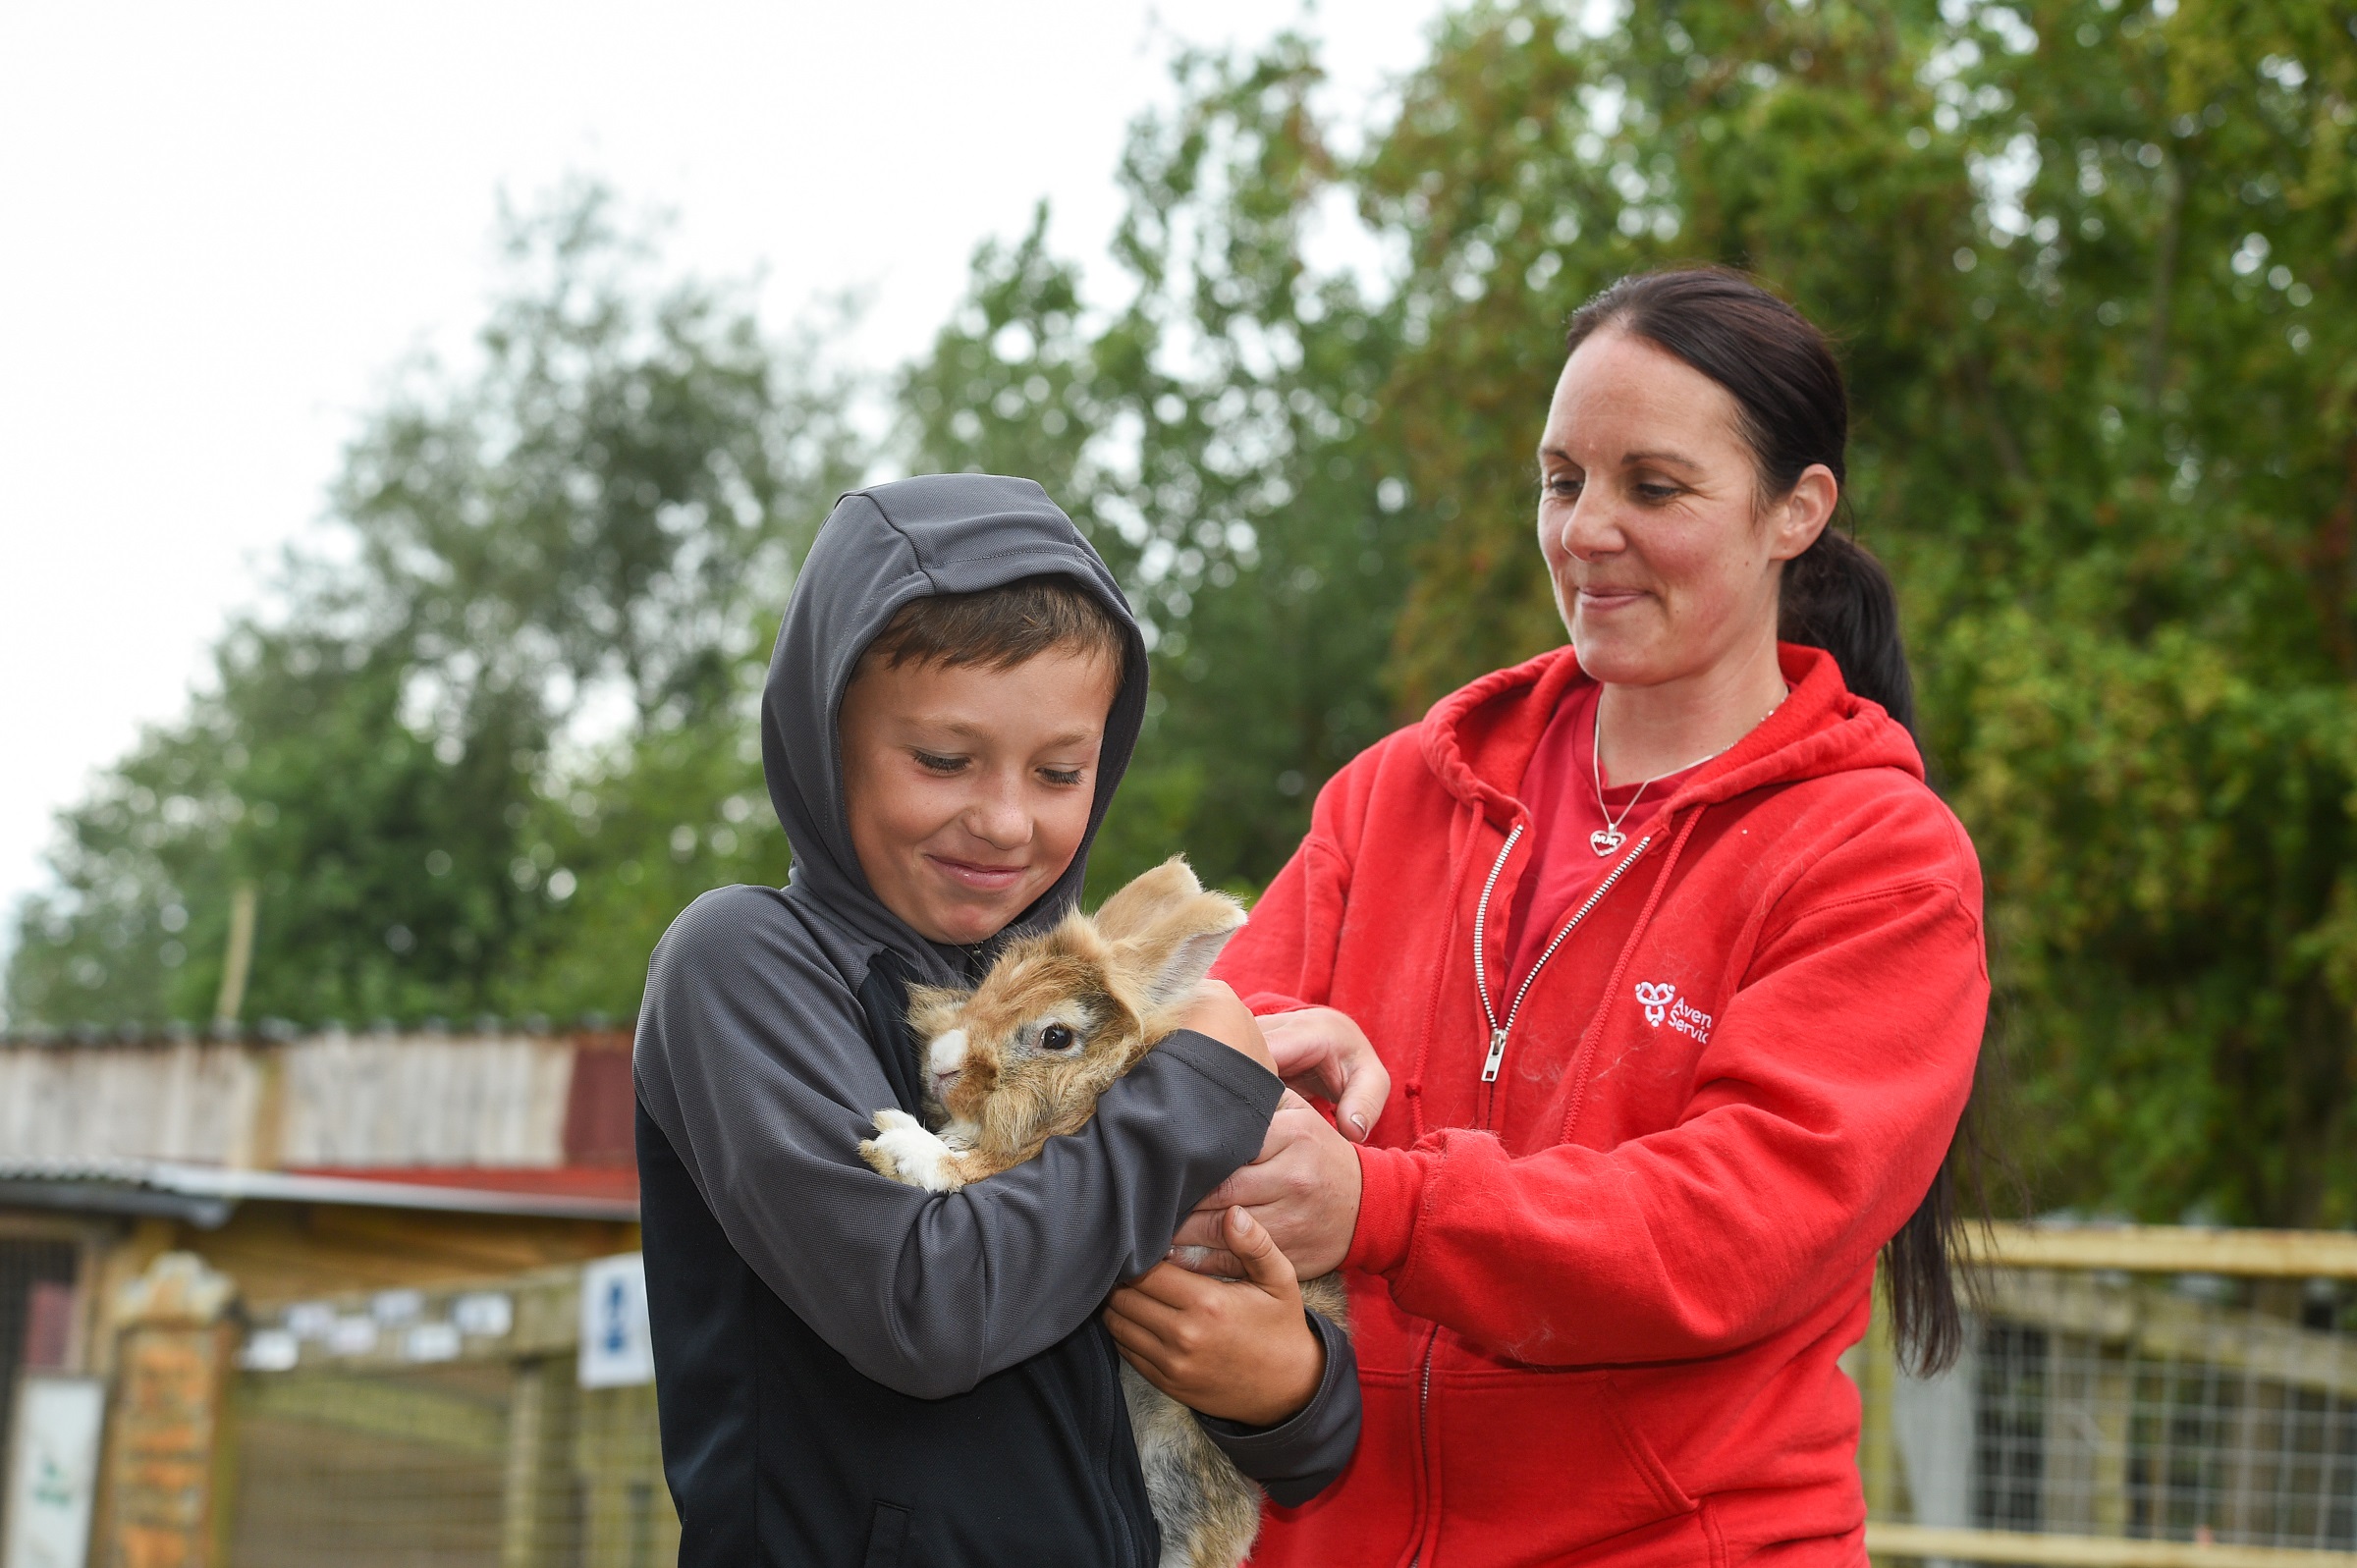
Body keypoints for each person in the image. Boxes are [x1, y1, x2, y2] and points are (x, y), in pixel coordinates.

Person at [1186, 270, 1989, 1564]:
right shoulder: (1399, 790)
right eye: (1563, 480)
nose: (1586, 530)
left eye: (1652, 488)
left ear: (1797, 510)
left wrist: (1383, 1203)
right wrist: (1237, 1079)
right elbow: (1222, 1045)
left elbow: (1728, 1229)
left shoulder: (1879, 855)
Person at [632, 473, 1359, 1567]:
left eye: (1060, 770)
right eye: (942, 760)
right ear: (825, 731)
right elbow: (926, 1310)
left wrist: (1285, 1385)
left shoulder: (1087, 1003)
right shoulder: (740, 964)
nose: (1005, 819)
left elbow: (1315, 1445)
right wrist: (1196, 1083)